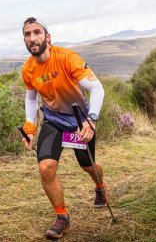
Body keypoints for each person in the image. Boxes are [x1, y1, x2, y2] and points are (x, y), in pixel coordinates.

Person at [20, 17, 107, 239]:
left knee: (87, 165)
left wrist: (91, 120)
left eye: (36, 32)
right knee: (45, 168)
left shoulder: (67, 58)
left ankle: (100, 185)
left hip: (78, 122)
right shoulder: (28, 69)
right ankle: (62, 218)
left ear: (47, 38)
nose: (32, 38)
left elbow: (96, 88)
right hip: (53, 122)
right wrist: (30, 127)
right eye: (27, 35)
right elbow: (31, 99)